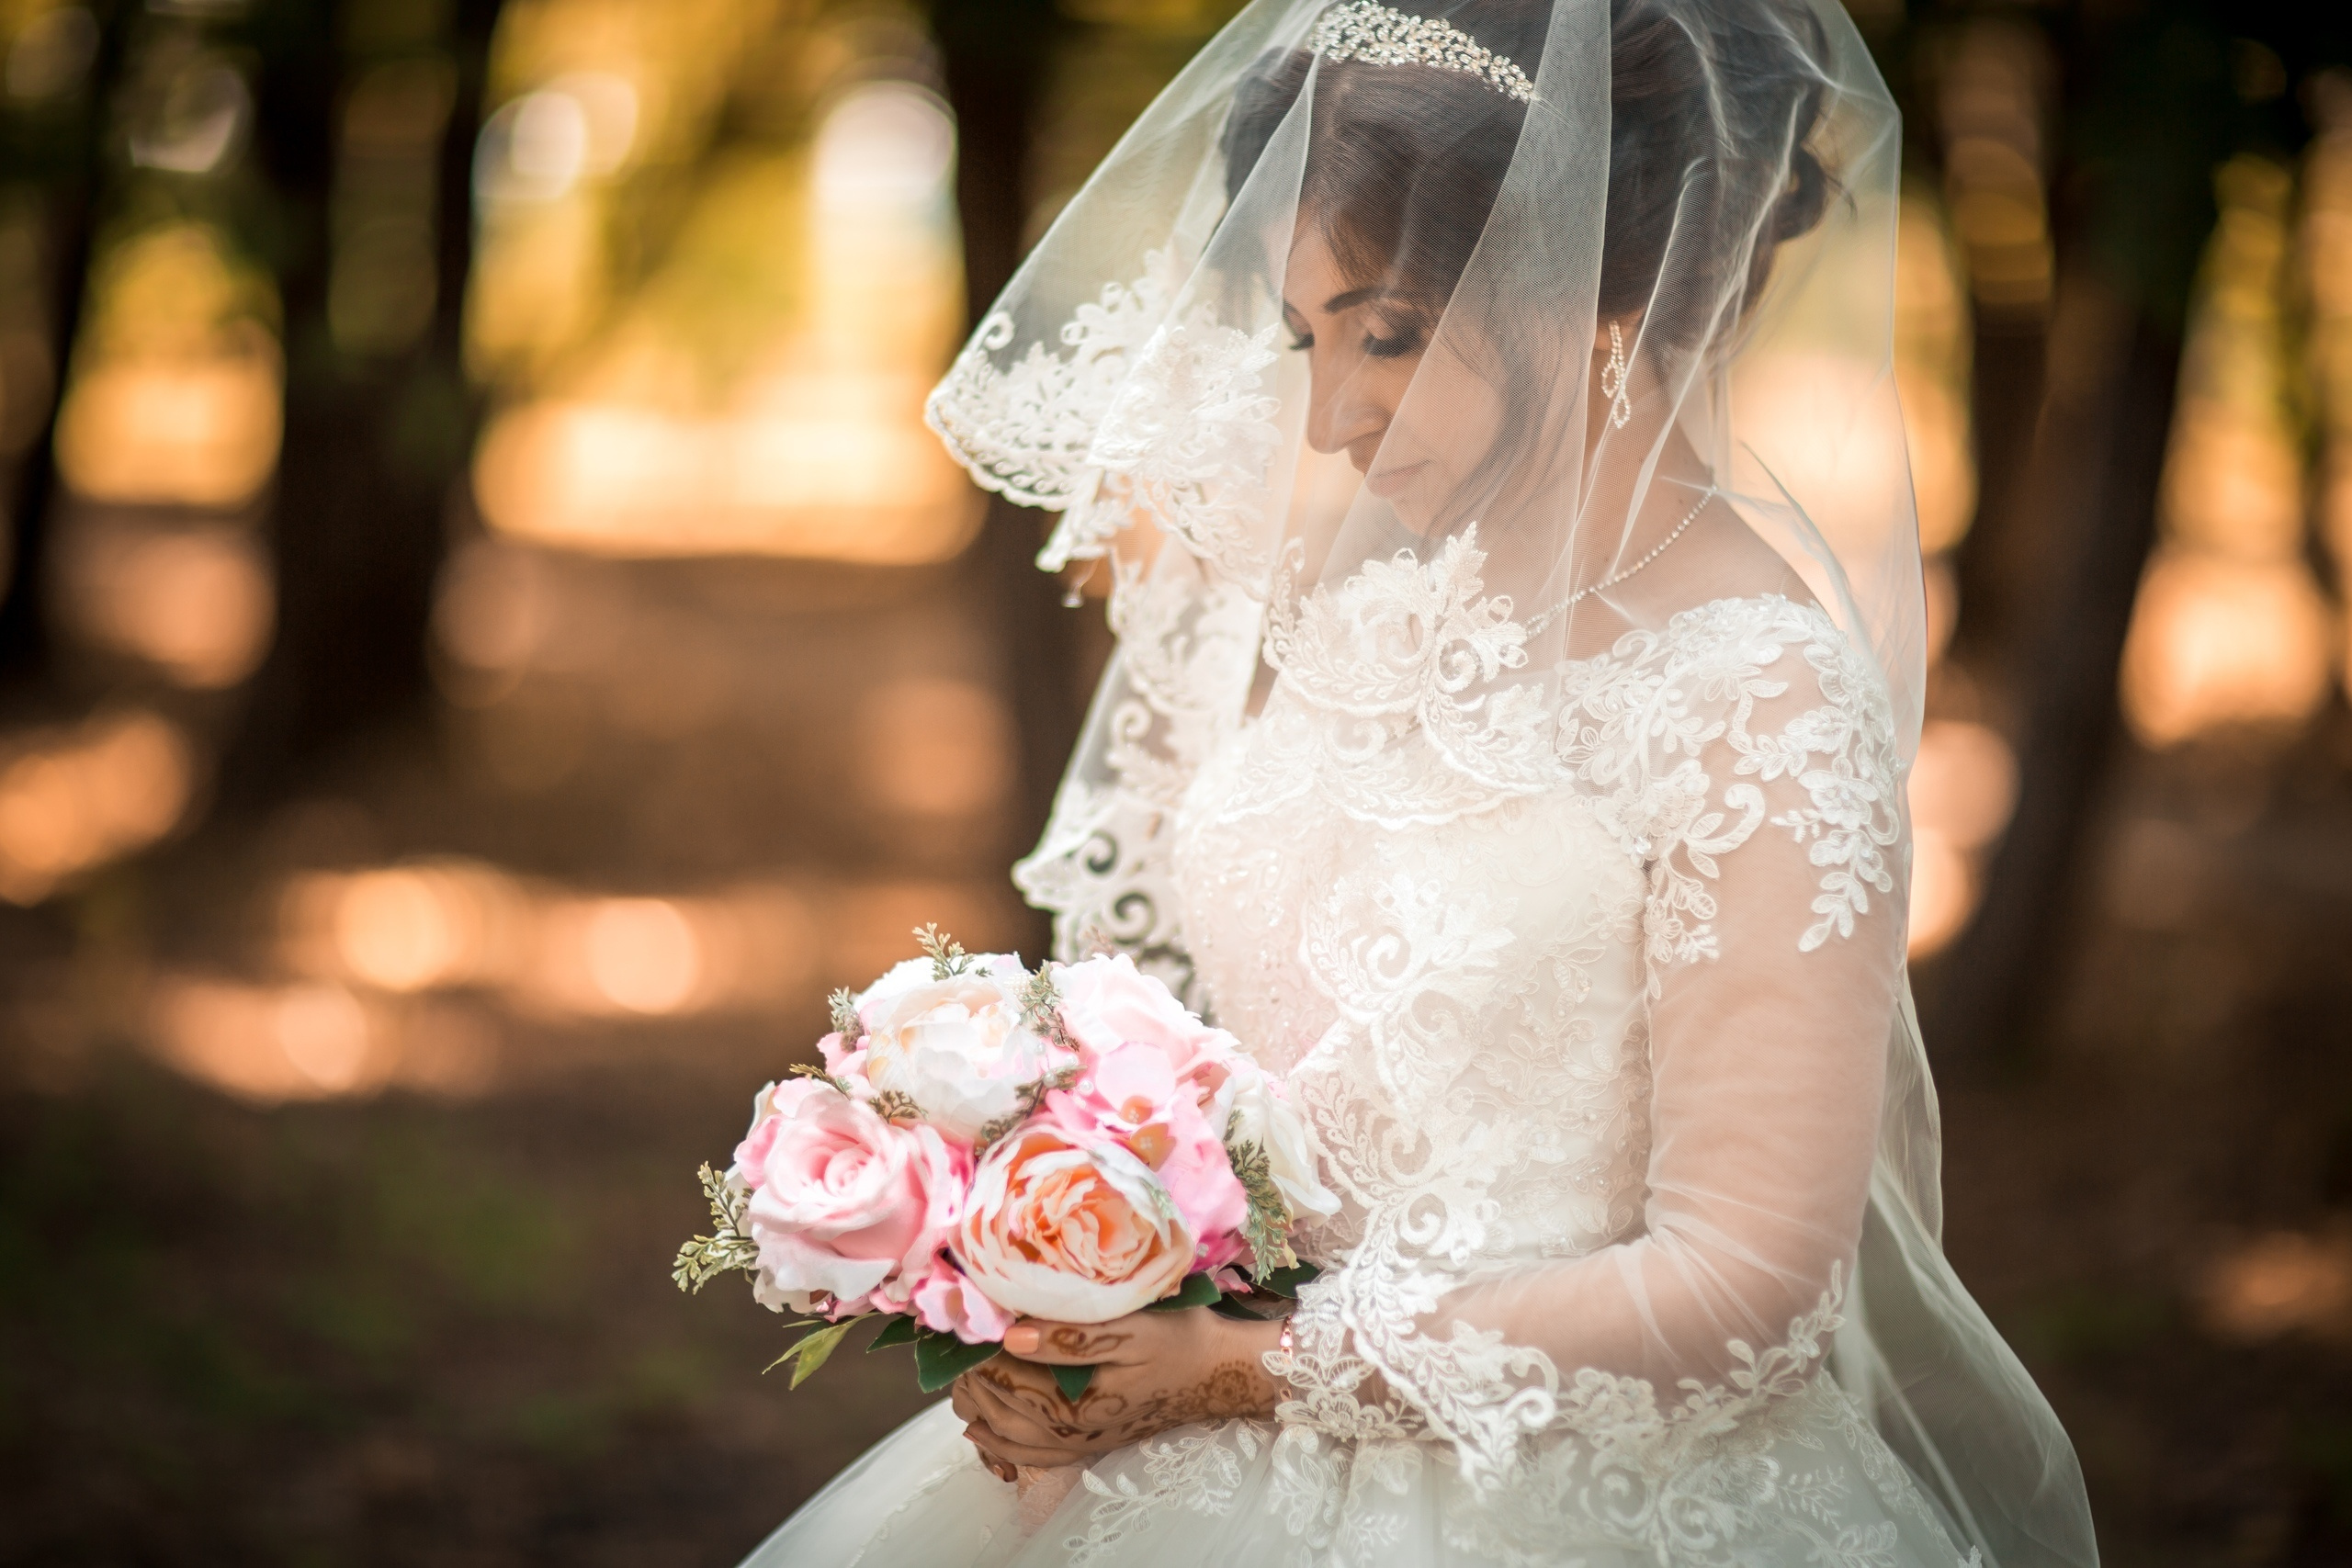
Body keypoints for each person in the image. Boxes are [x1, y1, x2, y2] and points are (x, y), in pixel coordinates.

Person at [743, 0, 2098, 1562]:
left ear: (1584, 278)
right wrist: (1061, 1277)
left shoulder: (1756, 693)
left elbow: (1744, 1288)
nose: (1329, 419)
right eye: (1305, 338)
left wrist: (1248, 1368)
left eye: (1384, 331)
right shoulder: (1359, 610)